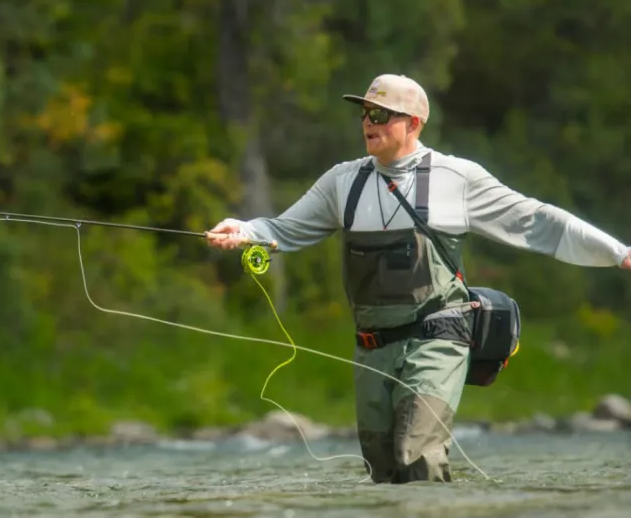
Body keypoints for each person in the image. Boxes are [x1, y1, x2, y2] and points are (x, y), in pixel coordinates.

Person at [205, 73, 631, 484]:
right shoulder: (342, 181)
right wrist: (243, 231)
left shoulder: (457, 179)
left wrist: (620, 254)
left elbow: (539, 222)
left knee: (417, 456)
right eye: (365, 113)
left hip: (438, 336)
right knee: (383, 468)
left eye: (380, 115)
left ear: (413, 124)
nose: (368, 124)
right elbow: (282, 230)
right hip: (372, 345)